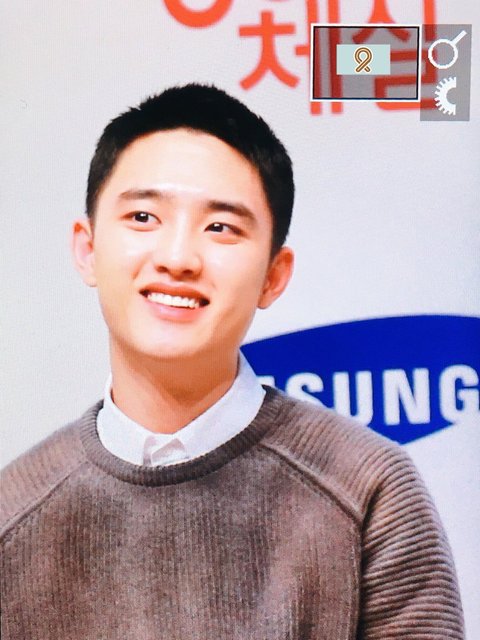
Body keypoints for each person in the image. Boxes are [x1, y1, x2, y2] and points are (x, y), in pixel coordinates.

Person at [0, 84, 464, 639]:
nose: (178, 258)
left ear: (273, 275)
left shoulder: (368, 490)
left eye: (220, 227)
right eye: (143, 216)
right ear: (87, 248)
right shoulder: (13, 514)